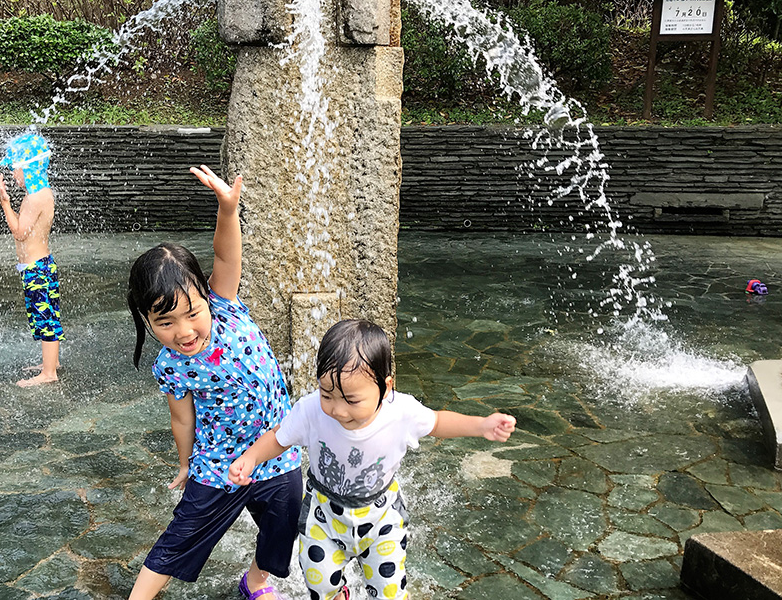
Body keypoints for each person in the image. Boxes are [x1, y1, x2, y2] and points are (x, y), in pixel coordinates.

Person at [229, 319, 517, 600]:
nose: (338, 410)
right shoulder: (310, 411)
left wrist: (481, 426)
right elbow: (279, 438)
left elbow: (438, 422)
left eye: (351, 400)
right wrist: (251, 457)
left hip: (381, 519)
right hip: (324, 517)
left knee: (389, 591)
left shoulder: (401, 412)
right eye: (327, 395)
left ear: (386, 387)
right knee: (319, 583)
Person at [125, 165, 302, 600]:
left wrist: (227, 208)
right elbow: (182, 420)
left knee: (283, 528)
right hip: (219, 463)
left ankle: (255, 582)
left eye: (191, 313)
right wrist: (186, 463)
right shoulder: (171, 365)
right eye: (165, 322)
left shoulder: (225, 305)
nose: (184, 331)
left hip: (278, 450)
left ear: (206, 296)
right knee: (181, 536)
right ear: (147, 320)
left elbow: (225, 257)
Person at [0, 130, 64, 387]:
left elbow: (20, 233)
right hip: (38, 266)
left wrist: (4, 203)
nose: (14, 174)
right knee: (44, 315)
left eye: (17, 168)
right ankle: (51, 363)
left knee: (46, 320)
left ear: (29, 167)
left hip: (37, 269)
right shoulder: (39, 193)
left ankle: (49, 373)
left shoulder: (35, 199)